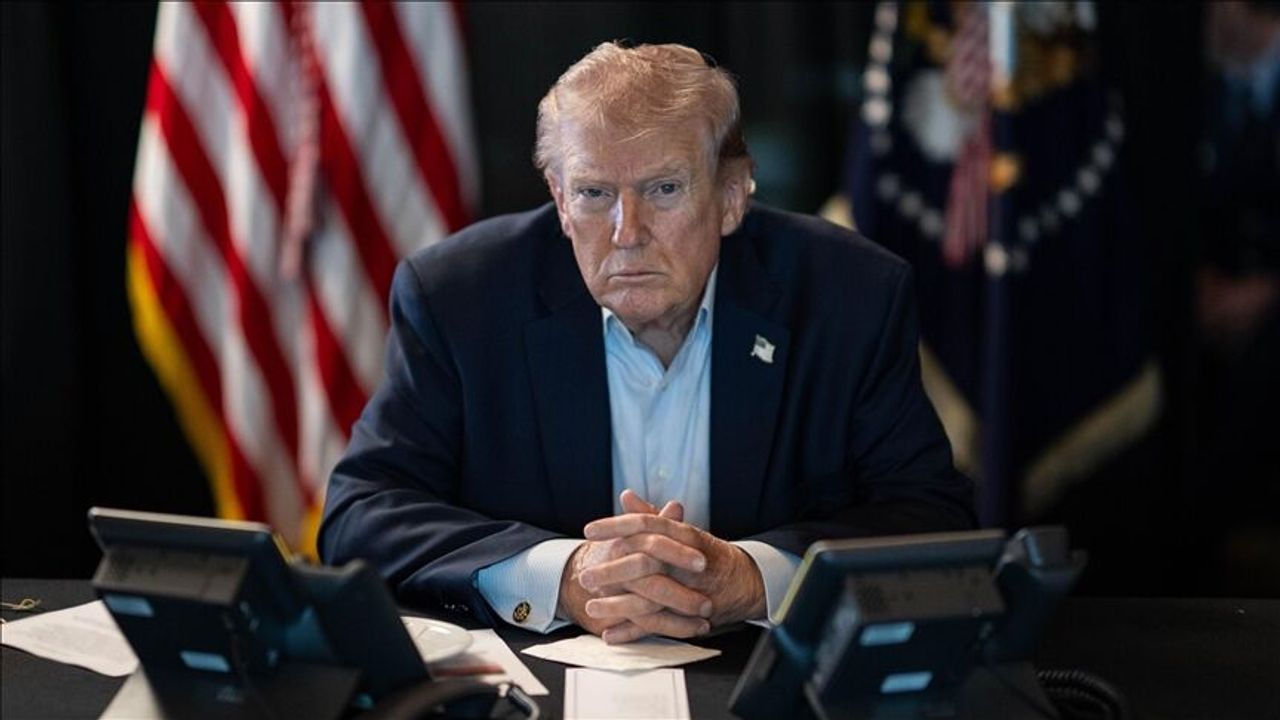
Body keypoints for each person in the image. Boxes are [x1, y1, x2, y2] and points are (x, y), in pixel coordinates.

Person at [319, 41, 974, 644]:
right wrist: (562, 575)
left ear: (732, 195)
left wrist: (755, 577)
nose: (626, 231)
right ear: (559, 199)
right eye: (593, 193)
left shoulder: (849, 295)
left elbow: (930, 517)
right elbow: (362, 513)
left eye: (663, 189)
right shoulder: (459, 296)